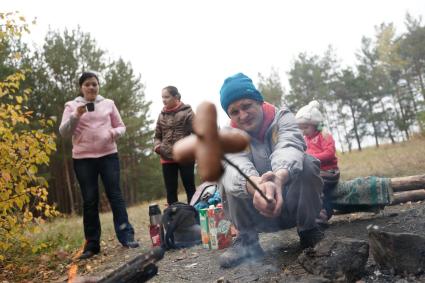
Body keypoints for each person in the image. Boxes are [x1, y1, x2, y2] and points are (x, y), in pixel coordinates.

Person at [217, 73, 324, 268]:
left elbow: (289, 146)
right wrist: (255, 186)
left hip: (291, 206)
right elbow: (236, 165)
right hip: (258, 211)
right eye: (234, 111)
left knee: (307, 162)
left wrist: (279, 177)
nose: (243, 115)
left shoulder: (282, 117)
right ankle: (247, 241)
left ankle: (309, 230)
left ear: (259, 101)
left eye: (247, 106)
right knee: (226, 174)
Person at [59, 71, 139, 260]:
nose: (91, 87)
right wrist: (75, 116)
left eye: (94, 84)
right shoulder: (72, 106)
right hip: (83, 159)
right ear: (81, 87)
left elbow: (121, 126)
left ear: (98, 86)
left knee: (115, 195)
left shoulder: (108, 103)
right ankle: (92, 245)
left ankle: (126, 237)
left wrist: (113, 134)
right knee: (90, 200)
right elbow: (64, 132)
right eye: (87, 84)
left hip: (108, 156)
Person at [295, 100, 340, 224]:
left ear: (316, 124)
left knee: (314, 185)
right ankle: (306, 213)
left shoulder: (324, 136)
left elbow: (330, 153)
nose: (303, 131)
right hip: (316, 171)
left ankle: (320, 215)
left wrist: (311, 158)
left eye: (306, 127)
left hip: (329, 171)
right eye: (301, 128)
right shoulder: (305, 140)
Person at [154, 86, 196, 205]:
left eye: (166, 97)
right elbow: (157, 136)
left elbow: (198, 132)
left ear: (176, 97)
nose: (164, 100)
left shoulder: (188, 112)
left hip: (185, 156)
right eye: (162, 97)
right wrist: (158, 147)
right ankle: (173, 219)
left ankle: (194, 215)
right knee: (171, 191)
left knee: (190, 188)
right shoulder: (161, 115)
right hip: (166, 158)